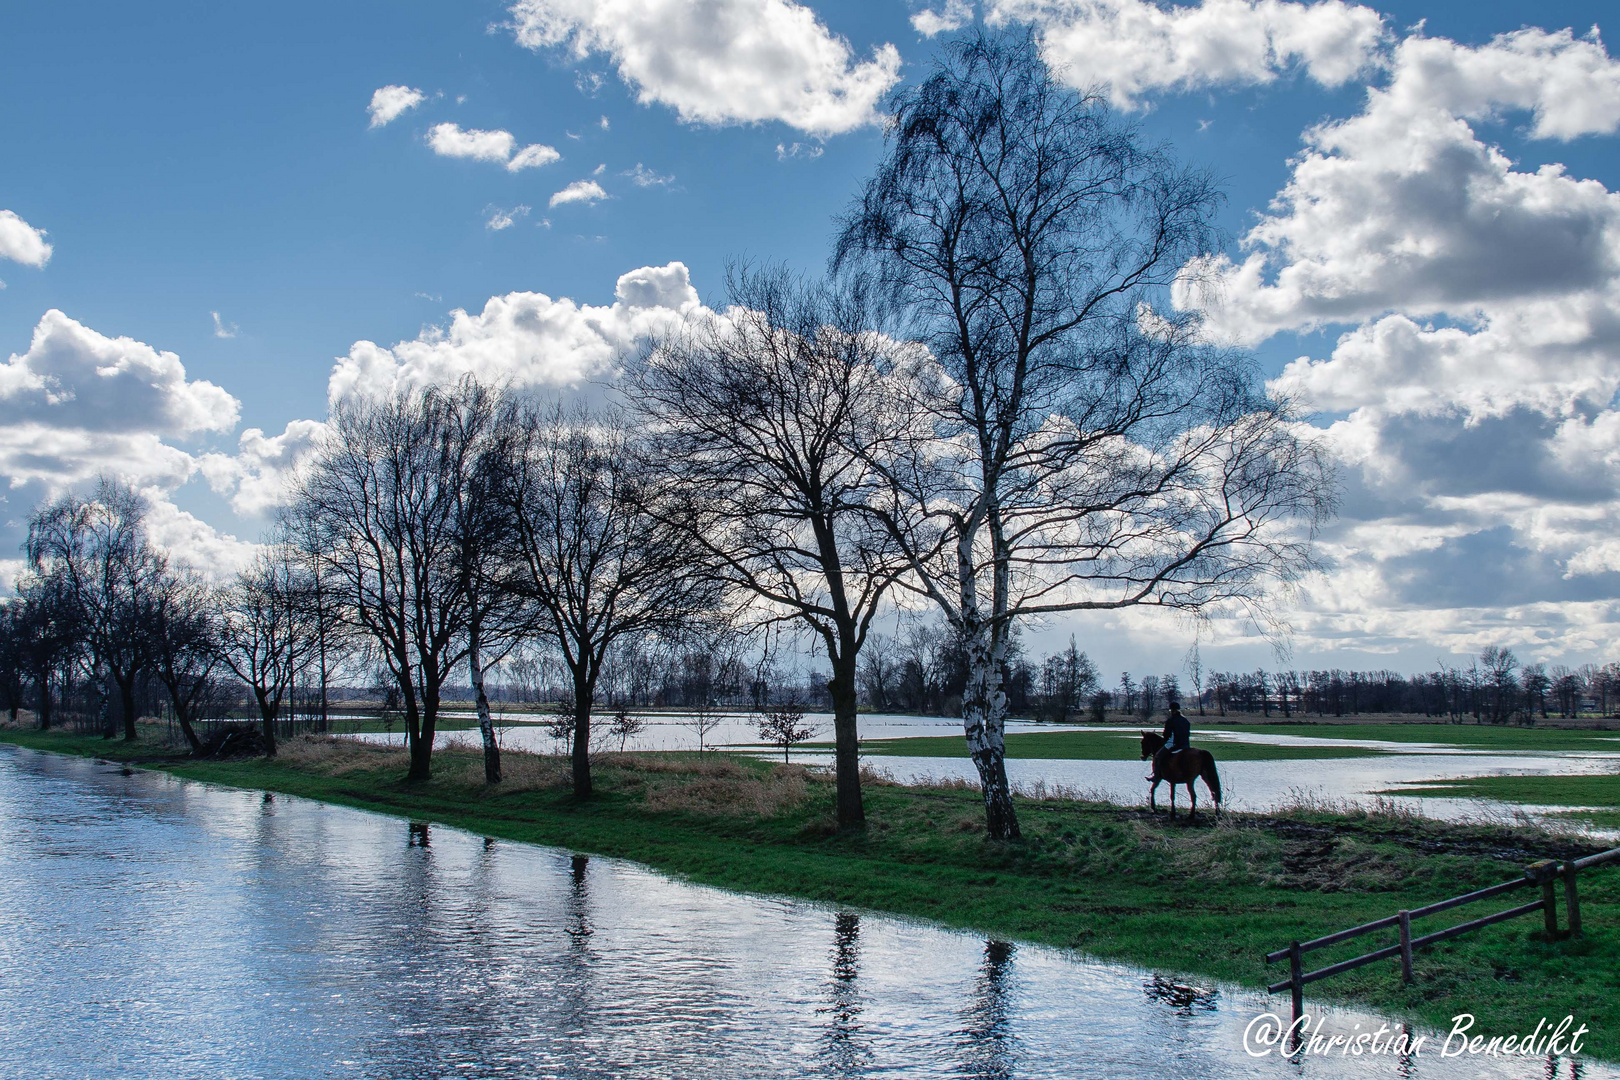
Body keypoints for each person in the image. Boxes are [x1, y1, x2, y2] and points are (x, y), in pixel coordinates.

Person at [1149, 702, 1191, 780]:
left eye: (1171, 711)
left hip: (1174, 744)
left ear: (1172, 711)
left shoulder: (1171, 720)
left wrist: (1165, 739)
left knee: (1157, 756)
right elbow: (1187, 734)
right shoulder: (1185, 720)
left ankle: (1156, 776)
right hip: (1186, 745)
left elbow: (1166, 734)